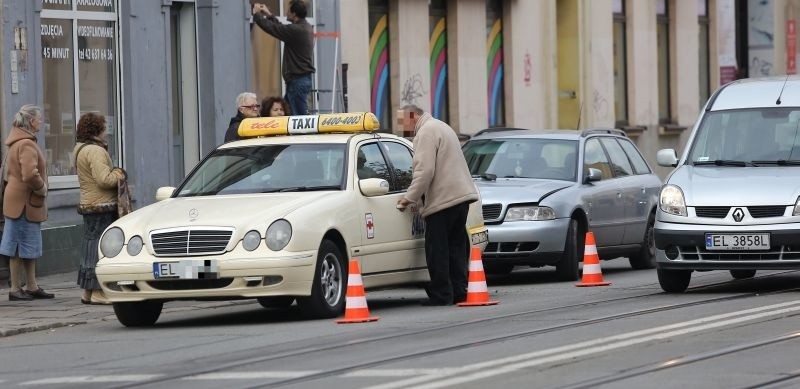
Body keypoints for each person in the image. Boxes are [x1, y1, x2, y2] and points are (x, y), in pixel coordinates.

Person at [396, 104, 478, 306]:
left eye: (402, 121)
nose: (400, 128)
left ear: (413, 117)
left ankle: (442, 294)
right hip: (461, 197)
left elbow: (424, 171)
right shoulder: (442, 126)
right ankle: (459, 291)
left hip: (443, 200)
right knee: (456, 247)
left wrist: (409, 198)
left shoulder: (425, 132)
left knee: (437, 249)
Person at [74, 113, 126, 305]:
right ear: (96, 131)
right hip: (101, 205)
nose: (107, 132)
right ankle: (98, 292)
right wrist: (119, 174)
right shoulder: (96, 151)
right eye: (104, 129)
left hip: (88, 203)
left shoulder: (80, 148)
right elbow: (104, 180)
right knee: (101, 247)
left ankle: (88, 291)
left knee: (90, 246)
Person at [2, 104, 53, 301]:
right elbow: (30, 174)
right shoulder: (26, 144)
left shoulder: (18, 142)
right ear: (31, 121)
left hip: (19, 201)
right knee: (17, 246)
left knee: (28, 245)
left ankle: (31, 285)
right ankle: (16, 288)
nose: (41, 121)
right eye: (39, 119)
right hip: (24, 203)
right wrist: (42, 188)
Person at [252, 0, 315, 115]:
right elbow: (281, 29)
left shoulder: (297, 30)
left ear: (294, 13)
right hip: (298, 81)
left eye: (288, 11)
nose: (286, 13)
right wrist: (269, 15)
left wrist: (257, 14)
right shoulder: (303, 27)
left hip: (297, 82)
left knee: (298, 120)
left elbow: (274, 29)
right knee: (289, 116)